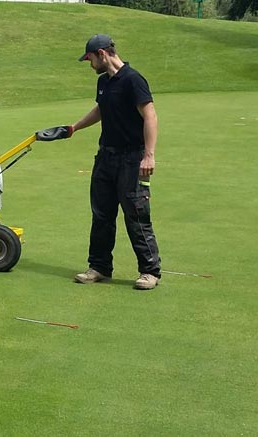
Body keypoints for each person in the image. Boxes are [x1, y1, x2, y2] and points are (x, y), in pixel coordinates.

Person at [36, 34, 161, 290]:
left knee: (136, 214)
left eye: (90, 59)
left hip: (131, 157)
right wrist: (74, 128)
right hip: (105, 157)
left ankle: (150, 271)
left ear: (102, 54)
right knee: (102, 214)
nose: (89, 64)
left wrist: (149, 154)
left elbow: (150, 116)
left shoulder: (133, 80)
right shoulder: (104, 83)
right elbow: (101, 110)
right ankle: (99, 267)